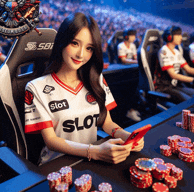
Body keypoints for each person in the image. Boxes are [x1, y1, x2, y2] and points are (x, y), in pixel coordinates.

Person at [24, 12, 144, 165]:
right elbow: (51, 140)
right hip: (56, 165)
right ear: (62, 41)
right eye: (75, 43)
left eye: (89, 48)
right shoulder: (36, 88)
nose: (81, 54)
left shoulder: (97, 79)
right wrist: (94, 152)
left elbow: (107, 123)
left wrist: (126, 135)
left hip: (92, 161)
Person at [155, 26, 194, 103]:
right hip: (165, 88)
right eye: (179, 35)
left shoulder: (176, 52)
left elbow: (188, 69)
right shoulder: (164, 51)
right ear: (170, 37)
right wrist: (193, 80)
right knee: (191, 102)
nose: (181, 37)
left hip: (175, 86)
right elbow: (173, 75)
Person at [117, 29, 141, 122]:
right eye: (132, 36)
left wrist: (136, 60)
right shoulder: (121, 46)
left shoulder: (133, 45)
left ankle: (133, 109)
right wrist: (136, 61)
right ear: (126, 36)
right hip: (122, 72)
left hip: (132, 70)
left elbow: (135, 57)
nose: (134, 38)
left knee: (136, 89)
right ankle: (129, 111)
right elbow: (123, 60)